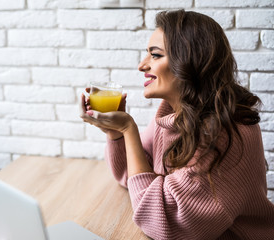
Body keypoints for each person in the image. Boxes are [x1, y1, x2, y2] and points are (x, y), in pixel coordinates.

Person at [80, 9, 274, 239]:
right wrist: (115, 134)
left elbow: (162, 223)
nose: (142, 66)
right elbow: (131, 177)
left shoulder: (224, 134)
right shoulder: (173, 114)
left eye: (155, 55)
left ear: (189, 61)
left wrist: (128, 129)